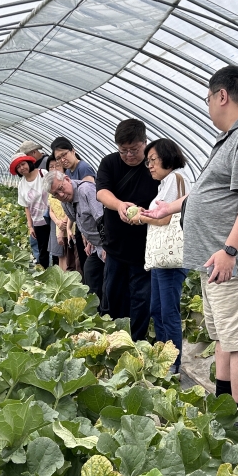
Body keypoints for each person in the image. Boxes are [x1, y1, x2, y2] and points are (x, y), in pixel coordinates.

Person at [144, 65, 238, 441]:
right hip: (213, 260)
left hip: (228, 261)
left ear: (221, 96)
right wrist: (172, 208)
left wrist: (230, 249)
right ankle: (222, 406)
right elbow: (211, 190)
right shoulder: (231, 137)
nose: (207, 106)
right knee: (222, 337)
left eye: (207, 98)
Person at [129, 139, 191, 371]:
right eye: (148, 162)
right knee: (157, 309)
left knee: (168, 311)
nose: (150, 166)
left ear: (168, 157)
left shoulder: (175, 179)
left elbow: (164, 218)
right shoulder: (164, 183)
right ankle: (163, 355)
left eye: (153, 160)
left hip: (171, 260)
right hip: (160, 258)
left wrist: (141, 217)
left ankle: (173, 363)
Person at [95, 119, 159, 340]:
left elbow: (169, 198)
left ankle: (137, 342)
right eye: (124, 151)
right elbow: (101, 192)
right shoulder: (110, 163)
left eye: (134, 150)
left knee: (142, 299)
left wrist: (147, 215)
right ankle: (113, 340)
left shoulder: (154, 165)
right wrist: (120, 205)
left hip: (145, 249)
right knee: (112, 295)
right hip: (115, 247)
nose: (129, 155)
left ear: (144, 142)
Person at [44, 171, 105, 299]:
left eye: (61, 188)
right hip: (96, 245)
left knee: (110, 282)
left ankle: (111, 313)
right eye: (56, 194)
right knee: (89, 272)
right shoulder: (65, 202)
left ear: (67, 179)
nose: (61, 195)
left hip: (108, 243)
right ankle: (96, 313)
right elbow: (80, 221)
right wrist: (88, 240)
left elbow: (104, 220)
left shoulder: (85, 190)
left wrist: (107, 245)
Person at [51, 137, 96, 274]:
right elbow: (71, 204)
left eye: (64, 154)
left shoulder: (83, 168)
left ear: (73, 151)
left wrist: (87, 233)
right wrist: (69, 227)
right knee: (82, 262)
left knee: (89, 264)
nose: (63, 159)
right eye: (59, 158)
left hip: (90, 223)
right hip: (80, 223)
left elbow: (90, 201)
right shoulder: (68, 172)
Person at [9, 154, 49, 269]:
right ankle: (45, 274)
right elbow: (26, 206)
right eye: (18, 167)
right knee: (43, 250)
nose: (22, 168)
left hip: (51, 218)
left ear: (29, 163)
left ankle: (58, 271)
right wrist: (30, 226)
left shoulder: (43, 174)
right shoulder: (21, 184)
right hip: (37, 221)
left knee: (56, 249)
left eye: (23, 164)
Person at [44, 156, 79, 273]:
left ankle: (70, 282)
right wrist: (58, 223)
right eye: (51, 167)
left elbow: (69, 209)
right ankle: (62, 280)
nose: (54, 168)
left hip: (69, 225)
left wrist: (63, 224)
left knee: (72, 257)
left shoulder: (66, 186)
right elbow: (51, 210)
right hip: (58, 225)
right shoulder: (51, 189)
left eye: (57, 166)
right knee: (60, 254)